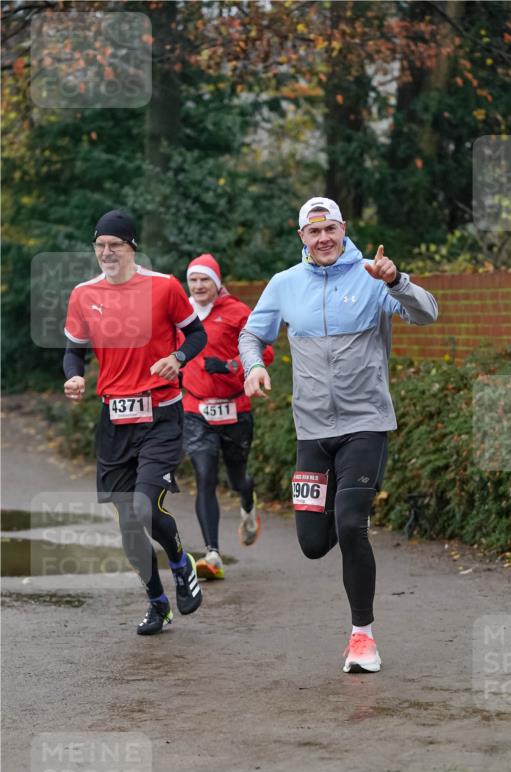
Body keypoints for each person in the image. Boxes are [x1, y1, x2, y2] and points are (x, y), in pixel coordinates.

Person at [239, 197, 438, 673]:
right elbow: (252, 334)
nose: (323, 238)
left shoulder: (372, 276)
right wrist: (252, 368)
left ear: (344, 230)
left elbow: (427, 313)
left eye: (331, 229)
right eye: (314, 231)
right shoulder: (285, 284)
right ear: (301, 237)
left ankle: (362, 637)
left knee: (351, 525)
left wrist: (396, 281)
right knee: (312, 542)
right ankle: (341, 507)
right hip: (312, 429)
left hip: (365, 423)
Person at [62, 209, 206, 636]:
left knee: (145, 507)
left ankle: (182, 564)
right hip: (114, 418)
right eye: (100, 245)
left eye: (115, 245)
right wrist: (73, 374)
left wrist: (178, 358)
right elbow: (74, 350)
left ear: (131, 248)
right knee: (127, 522)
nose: (106, 252)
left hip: (160, 413)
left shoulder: (164, 287)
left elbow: (196, 334)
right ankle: (157, 603)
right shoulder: (83, 294)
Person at [181, 254, 274, 580]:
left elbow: (267, 351)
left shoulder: (236, 312)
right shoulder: (181, 313)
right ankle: (212, 553)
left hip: (235, 408)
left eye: (205, 279)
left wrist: (233, 365)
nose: (198, 285)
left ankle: (248, 505)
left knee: (237, 478)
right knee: (204, 474)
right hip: (196, 410)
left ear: (217, 282)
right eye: (193, 280)